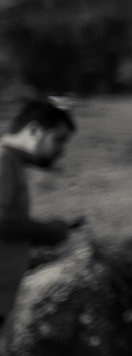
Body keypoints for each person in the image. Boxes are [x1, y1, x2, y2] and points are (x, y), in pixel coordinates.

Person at [0, 99, 81, 330]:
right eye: (59, 139)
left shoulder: (11, 163)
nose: (62, 151)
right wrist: (47, 232)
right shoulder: (3, 160)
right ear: (34, 130)